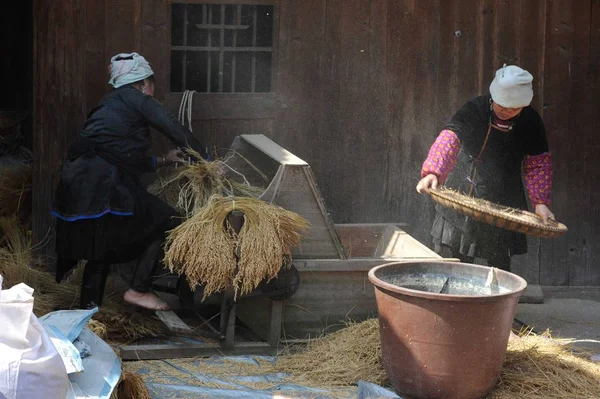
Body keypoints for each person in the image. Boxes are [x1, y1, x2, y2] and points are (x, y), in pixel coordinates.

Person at [52, 53, 209, 310]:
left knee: (99, 251)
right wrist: (207, 161)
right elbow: (175, 130)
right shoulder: (137, 98)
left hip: (77, 185)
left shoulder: (109, 104)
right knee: (167, 220)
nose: (152, 92)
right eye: (152, 86)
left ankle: (87, 317)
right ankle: (138, 289)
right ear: (145, 82)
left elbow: (115, 154)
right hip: (102, 185)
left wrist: (163, 160)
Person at [416, 64, 554, 271]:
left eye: (514, 108)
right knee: (458, 260)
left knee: (498, 259)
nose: (507, 111)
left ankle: (497, 301)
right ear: (493, 96)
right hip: (463, 190)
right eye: (502, 105)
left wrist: (540, 202)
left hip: (503, 197)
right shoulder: (476, 109)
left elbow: (538, 164)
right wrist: (433, 172)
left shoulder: (530, 121)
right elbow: (450, 138)